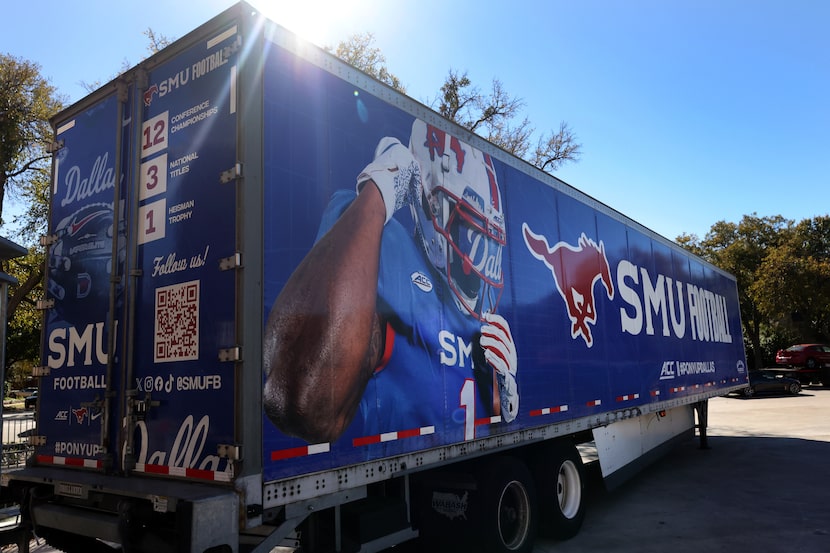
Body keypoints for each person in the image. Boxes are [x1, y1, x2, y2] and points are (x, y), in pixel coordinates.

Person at [263, 118, 518, 445]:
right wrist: (379, 191)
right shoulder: (386, 251)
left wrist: (507, 388)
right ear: (429, 205)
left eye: (485, 245)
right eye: (469, 235)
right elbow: (305, 404)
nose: (475, 262)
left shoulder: (478, 322)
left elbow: (488, 418)